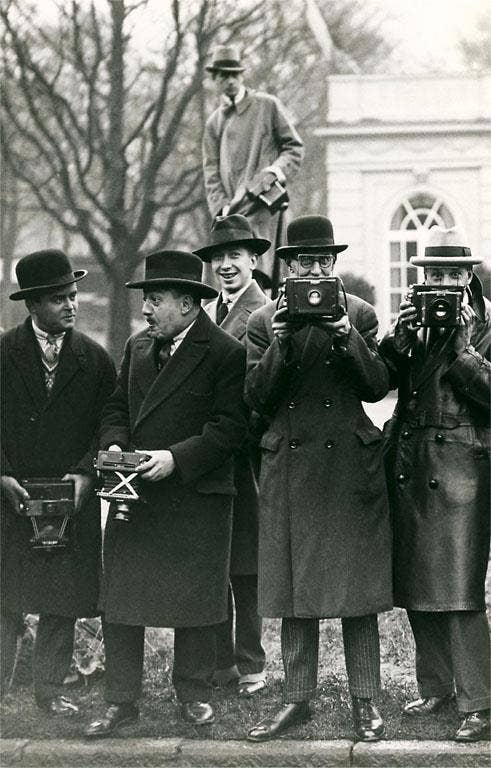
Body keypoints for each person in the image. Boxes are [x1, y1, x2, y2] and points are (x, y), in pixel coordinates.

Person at [85, 250, 247, 737]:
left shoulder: (224, 352)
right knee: (122, 600)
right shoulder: (137, 347)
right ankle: (121, 701)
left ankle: (194, 694)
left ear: (187, 304)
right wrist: (116, 444)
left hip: (195, 496)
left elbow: (230, 428)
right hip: (136, 495)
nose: (147, 310)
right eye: (146, 300)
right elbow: (115, 407)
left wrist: (176, 458)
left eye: (155, 300)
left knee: (194, 601)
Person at [244, 215, 392, 742]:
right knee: (294, 589)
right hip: (292, 463)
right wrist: (282, 344)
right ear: (287, 268)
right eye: (304, 262)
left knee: (358, 591)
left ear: (334, 265)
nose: (314, 272)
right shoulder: (264, 320)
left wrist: (346, 336)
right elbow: (255, 398)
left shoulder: (359, 313)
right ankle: (296, 699)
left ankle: (365, 700)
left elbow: (376, 387)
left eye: (323, 262)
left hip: (348, 464)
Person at [379, 226, 490, 743]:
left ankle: (480, 700)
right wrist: (396, 341)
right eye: (434, 276)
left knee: (460, 589)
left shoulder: (485, 326)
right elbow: (379, 382)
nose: (442, 285)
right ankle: (437, 686)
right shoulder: (415, 324)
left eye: (451, 275)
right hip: (412, 462)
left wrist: (464, 349)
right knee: (417, 581)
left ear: (468, 277)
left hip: (464, 468)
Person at [0, 249, 116, 711]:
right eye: (57, 299)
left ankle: (49, 692)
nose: (70, 305)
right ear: (32, 305)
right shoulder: (2, 354)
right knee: (5, 596)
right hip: (10, 497)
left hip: (72, 499)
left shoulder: (96, 360)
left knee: (62, 599)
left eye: (72, 295)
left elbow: (110, 426)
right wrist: (1, 475)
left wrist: (87, 473)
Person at [195, 214, 269, 696]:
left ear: (254, 260)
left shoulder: (266, 311)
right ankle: (220, 660)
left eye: (235, 256)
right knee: (214, 559)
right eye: (218, 257)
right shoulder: (204, 312)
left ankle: (251, 662)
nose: (225, 265)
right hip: (210, 451)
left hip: (248, 455)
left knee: (246, 562)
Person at [202, 44, 304, 281]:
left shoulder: (267, 106)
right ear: (215, 79)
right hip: (233, 217)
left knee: (271, 277)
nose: (230, 81)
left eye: (235, 74)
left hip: (266, 208)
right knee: (234, 278)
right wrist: (222, 207)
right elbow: (211, 172)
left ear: (242, 76)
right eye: (224, 75)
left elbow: (294, 148)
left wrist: (275, 171)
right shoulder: (214, 123)